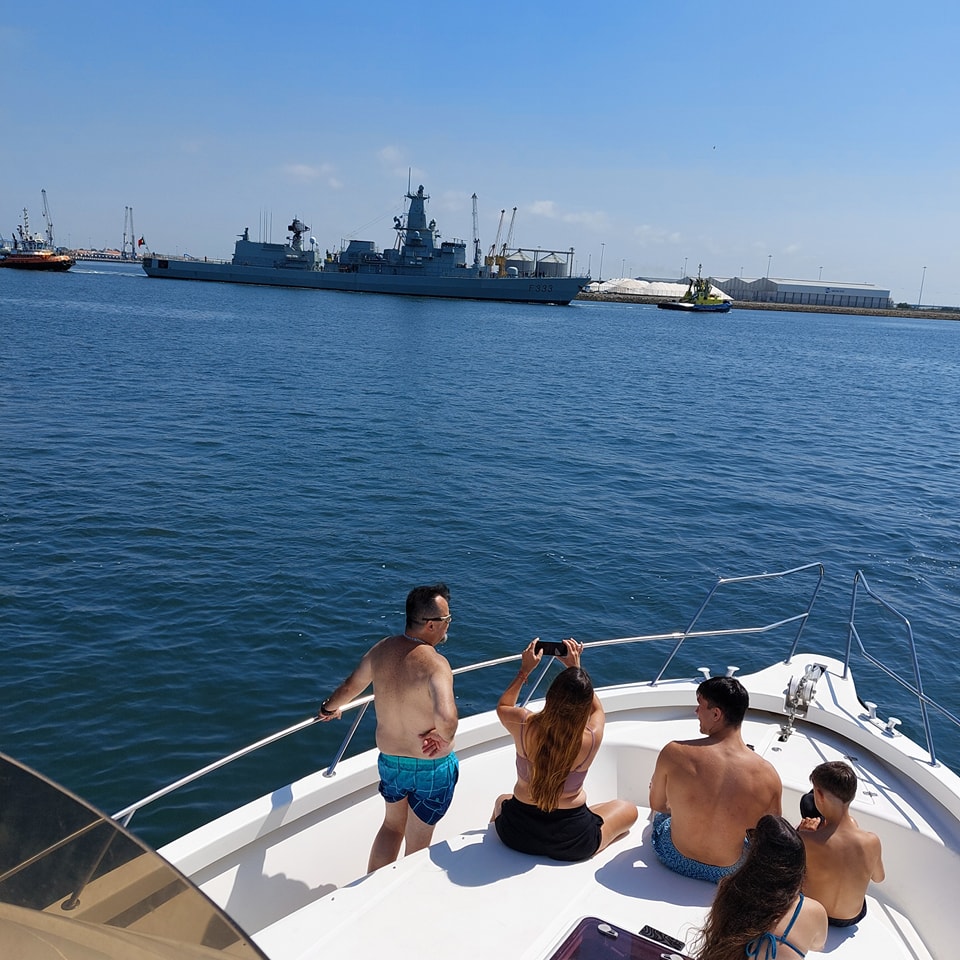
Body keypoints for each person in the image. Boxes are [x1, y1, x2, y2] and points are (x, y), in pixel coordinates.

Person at [318, 583, 458, 873]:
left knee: (392, 827)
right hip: (429, 766)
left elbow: (349, 688)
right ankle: (399, 903)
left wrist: (327, 708)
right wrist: (443, 737)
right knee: (417, 845)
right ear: (431, 625)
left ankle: (370, 888)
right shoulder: (436, 664)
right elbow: (447, 718)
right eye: (447, 620)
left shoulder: (381, 650)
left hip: (391, 761)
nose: (448, 625)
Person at [491, 638, 638, 861]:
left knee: (502, 799)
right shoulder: (591, 737)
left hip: (516, 833)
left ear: (551, 697)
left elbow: (504, 706)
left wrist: (525, 670)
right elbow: (598, 710)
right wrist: (575, 668)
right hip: (572, 839)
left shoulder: (524, 724)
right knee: (628, 809)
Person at [648, 675, 782, 883]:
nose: (696, 712)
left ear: (716, 713)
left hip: (674, 857)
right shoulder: (769, 776)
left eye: (700, 706)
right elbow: (768, 836)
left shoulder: (674, 752)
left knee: (660, 816)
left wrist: (685, 806)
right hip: (727, 871)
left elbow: (657, 804)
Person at [692, 815, 828, 960]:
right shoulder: (813, 911)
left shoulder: (729, 891)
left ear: (754, 857)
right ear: (799, 866)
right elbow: (818, 945)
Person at [797, 760, 885, 927]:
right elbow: (878, 878)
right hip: (851, 918)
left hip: (813, 912)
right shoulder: (872, 841)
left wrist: (801, 833)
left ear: (819, 795)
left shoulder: (807, 839)